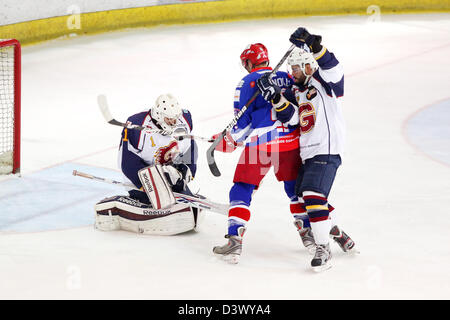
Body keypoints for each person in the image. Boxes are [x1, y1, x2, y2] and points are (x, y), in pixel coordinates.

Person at [256, 27, 355, 271]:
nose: (293, 73)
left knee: (312, 194)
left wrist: (313, 43)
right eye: (291, 69)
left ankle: (323, 248)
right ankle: (338, 233)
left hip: (327, 149)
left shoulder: (323, 82)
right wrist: (274, 96)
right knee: (303, 199)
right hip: (309, 152)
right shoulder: (298, 92)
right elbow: (291, 119)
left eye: (296, 68)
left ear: (309, 66)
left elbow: (334, 68)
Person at [212, 43, 303, 264]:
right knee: (294, 190)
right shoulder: (286, 76)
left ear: (249, 62)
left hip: (262, 144)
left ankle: (235, 239)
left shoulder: (245, 83)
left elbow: (241, 125)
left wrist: (228, 140)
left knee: (242, 188)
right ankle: (309, 234)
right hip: (290, 142)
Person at [94, 93, 202, 235]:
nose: (173, 122)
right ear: (158, 115)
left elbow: (190, 145)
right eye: (169, 119)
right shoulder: (137, 126)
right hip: (142, 176)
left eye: (175, 118)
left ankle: (175, 190)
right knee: (159, 200)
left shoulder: (185, 120)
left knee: (180, 194)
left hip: (170, 173)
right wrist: (155, 182)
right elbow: (127, 163)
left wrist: (186, 169)